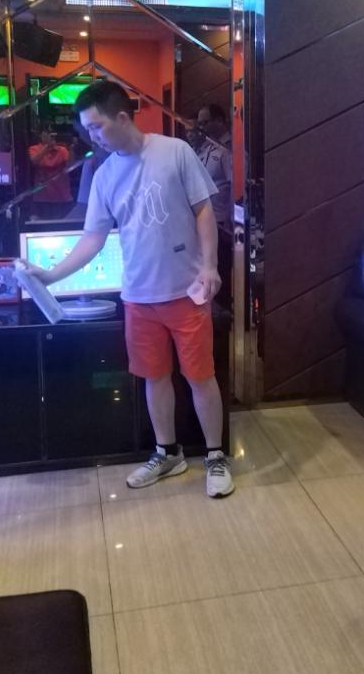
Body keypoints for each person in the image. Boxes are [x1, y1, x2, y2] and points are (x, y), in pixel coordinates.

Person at [24, 80, 233, 498]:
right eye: (87, 129)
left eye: (96, 127)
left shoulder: (174, 151)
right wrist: (50, 275)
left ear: (122, 117)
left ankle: (215, 456)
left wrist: (210, 266)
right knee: (154, 377)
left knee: (200, 377)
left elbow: (204, 211)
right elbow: (93, 238)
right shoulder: (103, 175)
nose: (92, 136)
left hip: (187, 290)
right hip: (138, 296)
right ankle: (167, 453)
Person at [194, 103, 233, 306]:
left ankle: (223, 313)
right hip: (204, 222)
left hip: (221, 223)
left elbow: (235, 187)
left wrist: (231, 220)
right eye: (199, 123)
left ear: (219, 121)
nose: (201, 127)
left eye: (205, 122)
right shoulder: (206, 148)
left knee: (220, 273)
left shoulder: (228, 150)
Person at [28, 128, 74, 220]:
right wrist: (47, 146)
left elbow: (70, 165)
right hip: (42, 196)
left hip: (61, 195)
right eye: (47, 134)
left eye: (51, 134)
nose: (50, 136)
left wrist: (72, 150)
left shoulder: (62, 150)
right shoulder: (34, 148)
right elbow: (34, 161)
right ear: (41, 136)